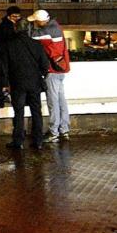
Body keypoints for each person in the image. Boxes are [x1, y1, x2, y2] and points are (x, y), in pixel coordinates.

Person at [3, 13, 50, 148]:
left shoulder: (10, 45)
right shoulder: (36, 44)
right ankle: (38, 141)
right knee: (36, 111)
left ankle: (18, 141)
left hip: (17, 82)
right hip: (34, 82)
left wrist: (5, 83)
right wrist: (40, 74)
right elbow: (45, 65)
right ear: (28, 29)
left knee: (19, 112)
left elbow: (5, 66)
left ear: (15, 29)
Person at [31, 9, 72, 142]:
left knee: (53, 102)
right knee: (61, 101)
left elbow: (32, 38)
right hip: (60, 69)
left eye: (36, 21)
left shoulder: (46, 31)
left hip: (52, 70)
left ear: (41, 21)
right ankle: (64, 129)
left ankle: (54, 132)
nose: (35, 23)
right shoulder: (56, 26)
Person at [0, 6, 24, 107]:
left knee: (1, 79)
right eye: (14, 16)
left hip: (3, 58)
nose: (17, 18)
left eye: (18, 16)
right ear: (9, 16)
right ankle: (6, 97)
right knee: (6, 79)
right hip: (5, 58)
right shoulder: (8, 27)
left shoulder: (12, 26)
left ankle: (3, 98)